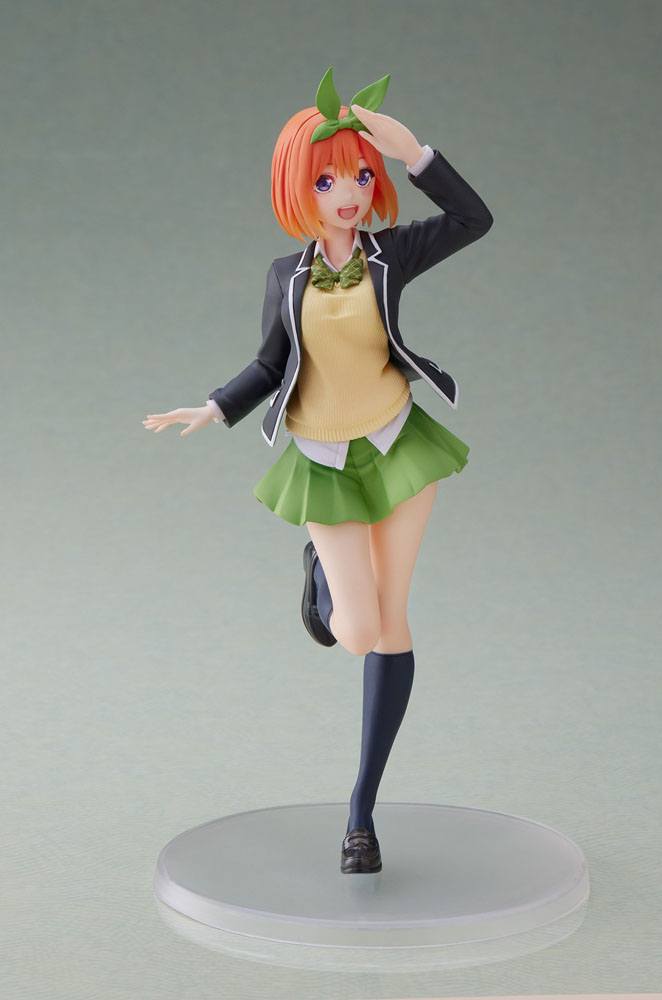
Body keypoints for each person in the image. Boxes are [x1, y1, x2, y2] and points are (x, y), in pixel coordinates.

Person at [143, 67, 494, 874]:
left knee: (392, 625)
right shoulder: (286, 276)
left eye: (360, 177)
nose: (347, 194)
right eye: (327, 180)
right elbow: (270, 364)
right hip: (324, 459)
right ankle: (322, 576)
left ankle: (360, 813)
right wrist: (214, 406)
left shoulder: (391, 254)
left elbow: (473, 219)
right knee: (355, 631)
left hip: (398, 444)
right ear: (297, 187)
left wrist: (412, 152)